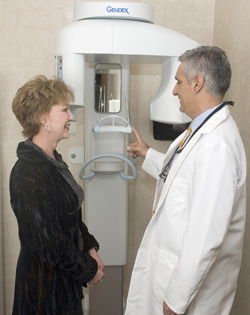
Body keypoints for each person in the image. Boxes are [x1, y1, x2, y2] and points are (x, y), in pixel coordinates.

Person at [125, 46, 246, 315]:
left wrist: (176, 302)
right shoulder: (201, 128)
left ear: (197, 82)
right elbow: (182, 177)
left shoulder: (217, 146)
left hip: (189, 297)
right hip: (170, 277)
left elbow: (205, 237)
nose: (174, 90)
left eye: (178, 82)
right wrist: (147, 153)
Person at [10, 75, 105, 315]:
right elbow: (47, 240)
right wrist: (88, 270)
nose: (71, 116)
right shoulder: (27, 172)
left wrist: (89, 247)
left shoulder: (53, 161)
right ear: (43, 119)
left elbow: (69, 216)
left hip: (64, 278)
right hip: (44, 288)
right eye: (64, 110)